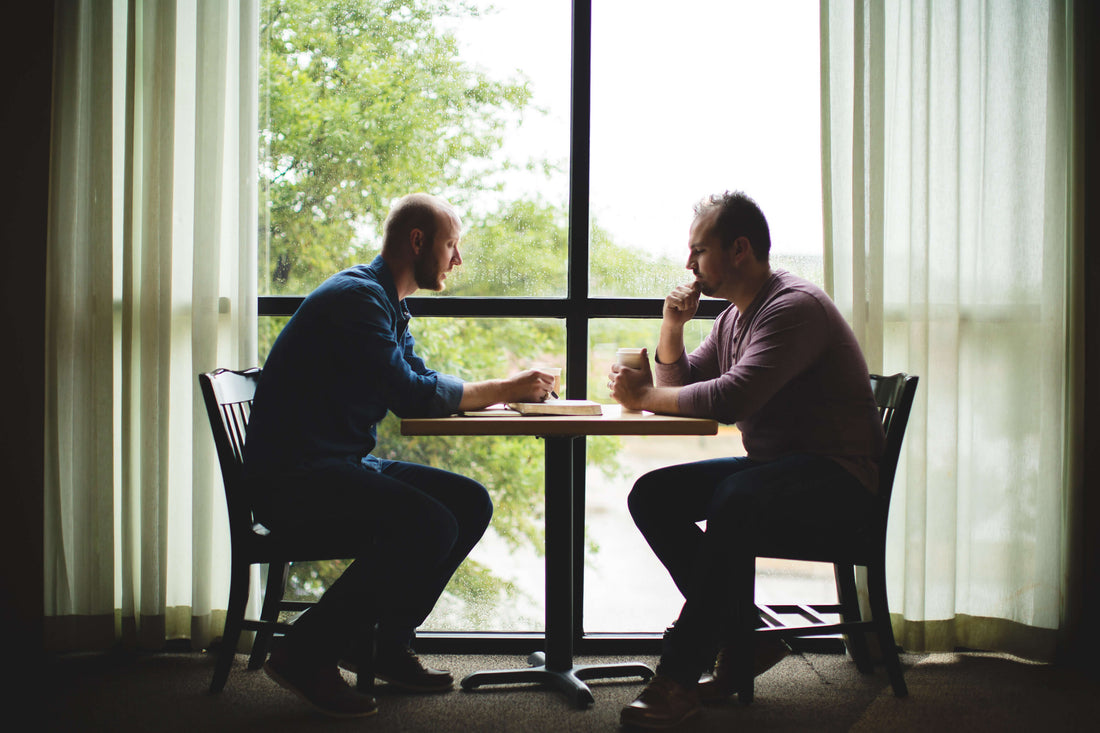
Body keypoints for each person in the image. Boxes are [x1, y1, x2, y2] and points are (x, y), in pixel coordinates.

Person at [242, 193, 556, 718]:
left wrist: (506, 391)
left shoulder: (387, 303)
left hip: (336, 462)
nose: (458, 260)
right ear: (418, 242)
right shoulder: (358, 300)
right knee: (430, 525)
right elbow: (412, 395)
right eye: (452, 245)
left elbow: (422, 381)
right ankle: (305, 650)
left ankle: (386, 645)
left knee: (469, 503)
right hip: (295, 480)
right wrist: (506, 387)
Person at [608, 191, 885, 729]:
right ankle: (746, 636)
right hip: (780, 471)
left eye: (698, 250)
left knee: (735, 498)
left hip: (839, 479)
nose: (688, 264)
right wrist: (672, 326)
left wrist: (642, 399)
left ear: (739, 249)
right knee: (652, 494)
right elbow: (684, 386)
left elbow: (728, 400)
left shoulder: (792, 308)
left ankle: (680, 675)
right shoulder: (736, 316)